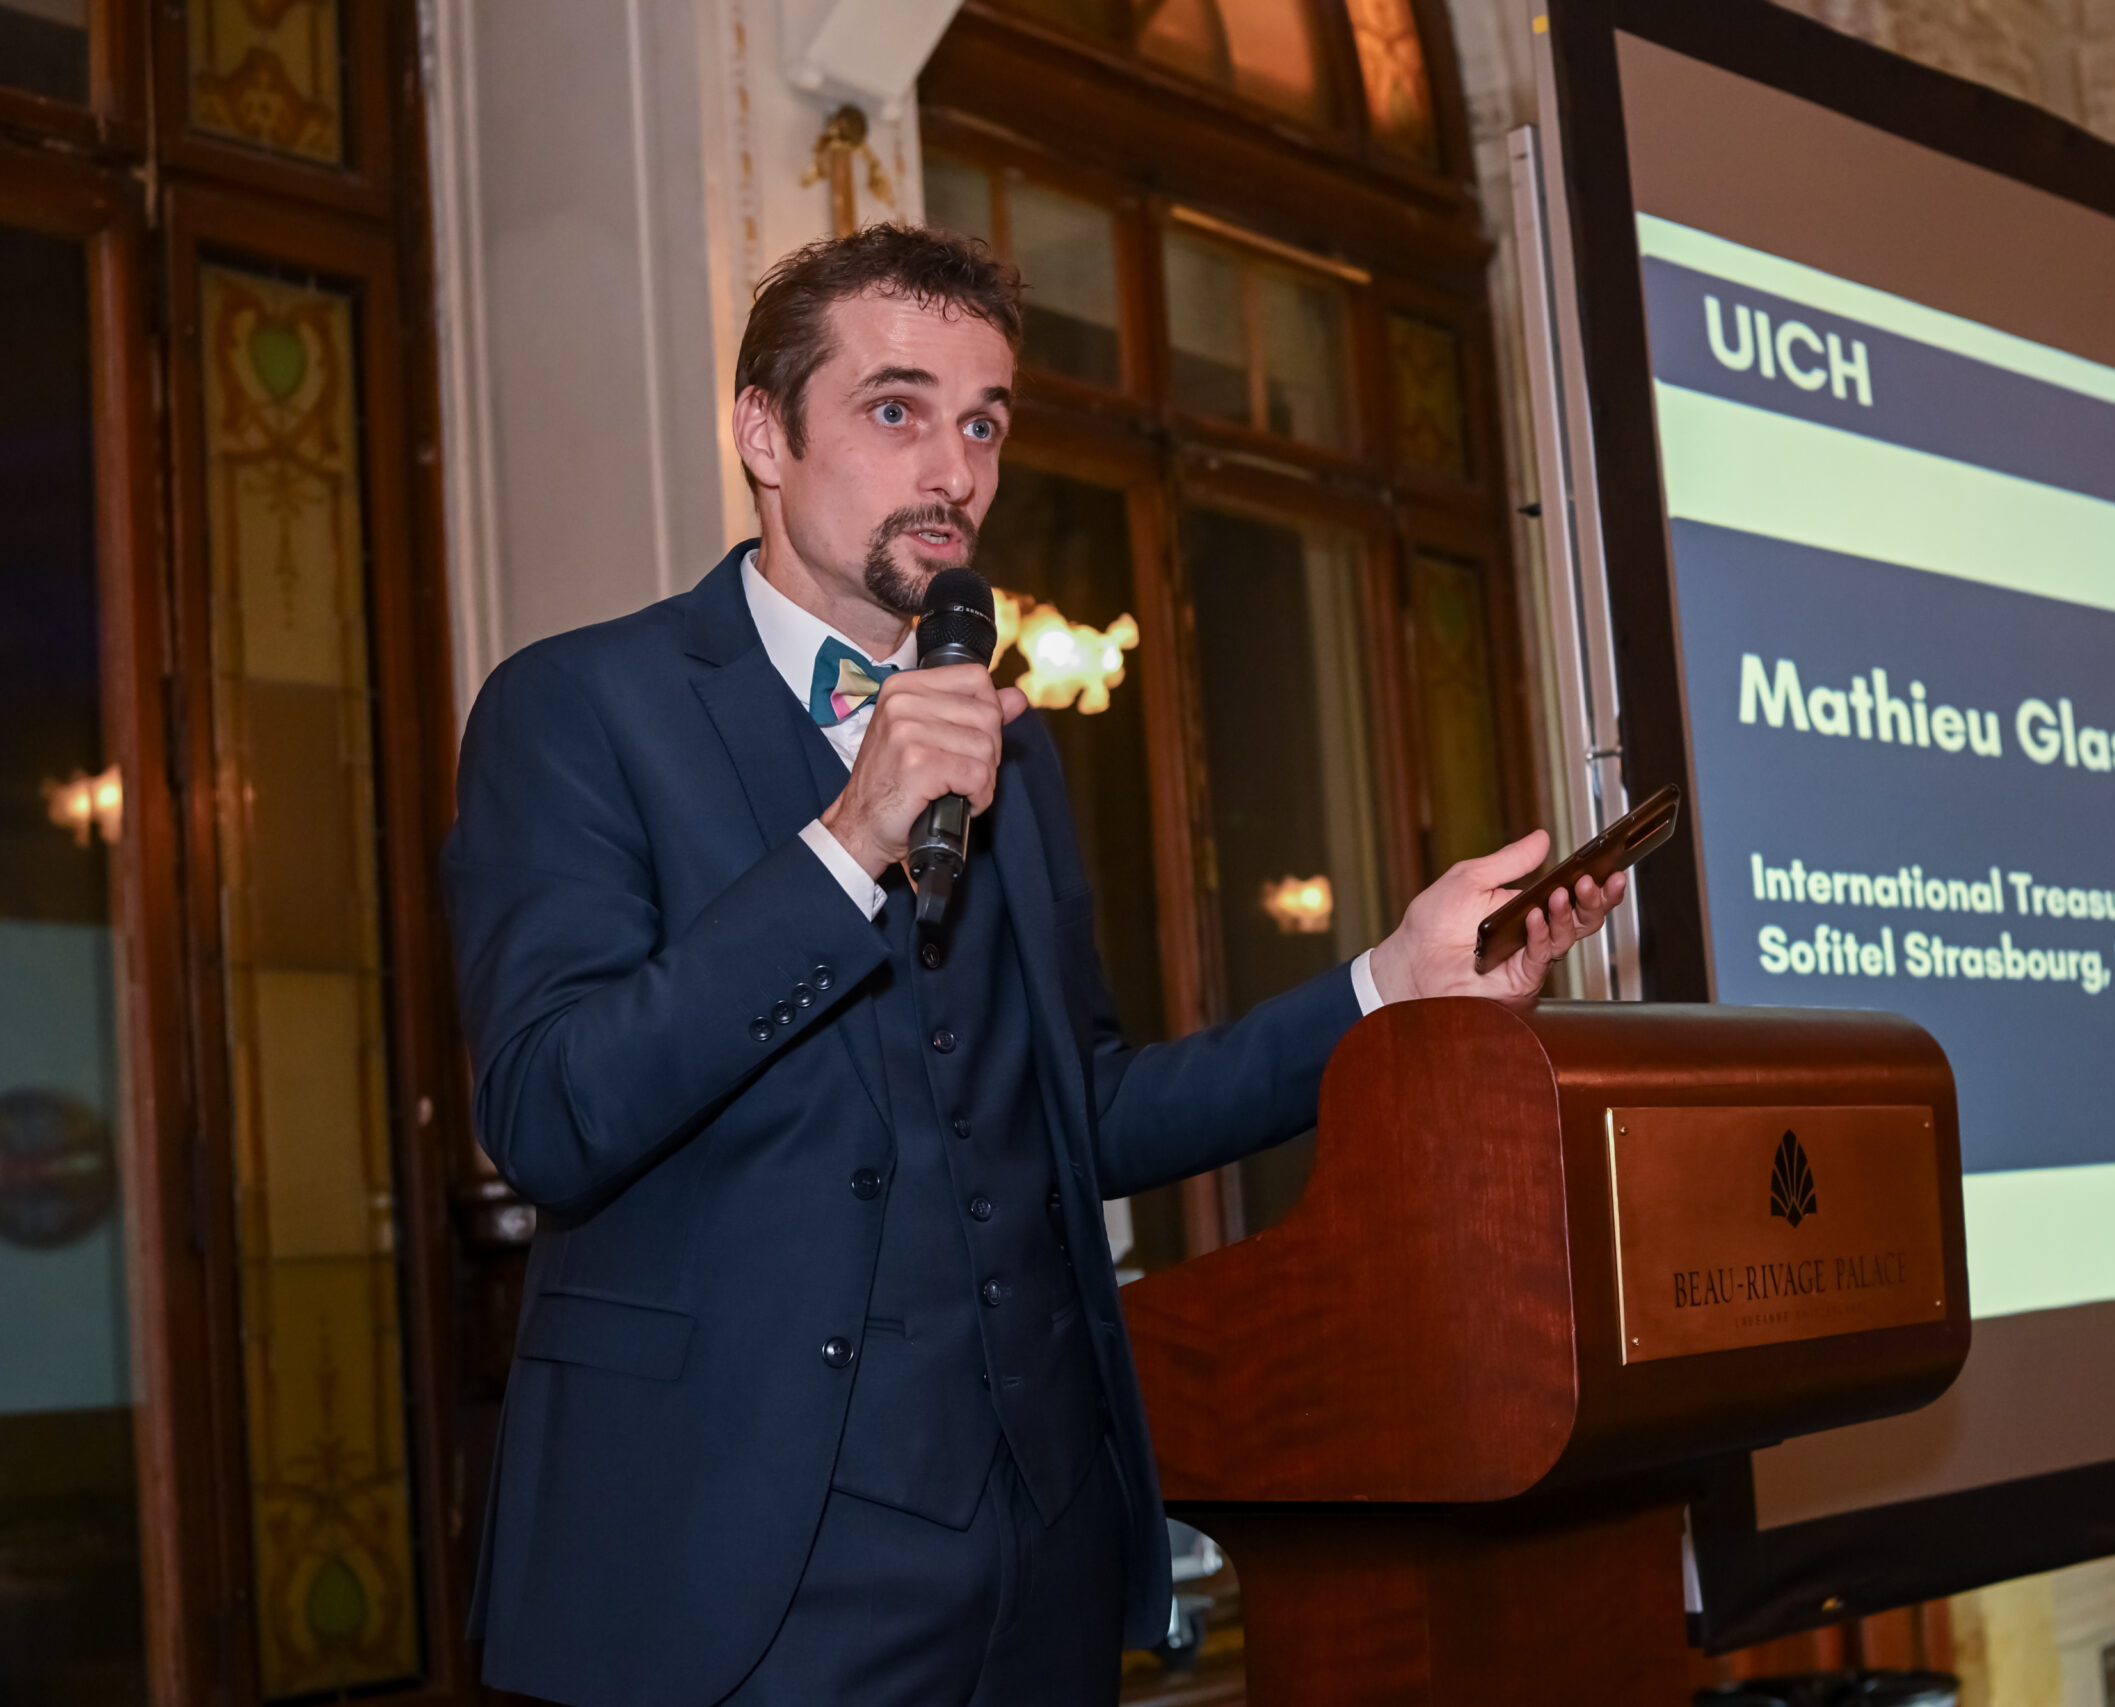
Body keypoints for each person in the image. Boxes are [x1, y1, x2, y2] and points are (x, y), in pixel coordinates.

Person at [443, 224, 1626, 1707]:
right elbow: (551, 1112)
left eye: (984, 423)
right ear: (763, 432)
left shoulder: (1015, 746)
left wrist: (1390, 988)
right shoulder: (579, 706)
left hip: (1036, 1557)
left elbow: (1086, 1112)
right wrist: (849, 842)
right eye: (896, 410)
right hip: (733, 1567)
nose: (953, 470)